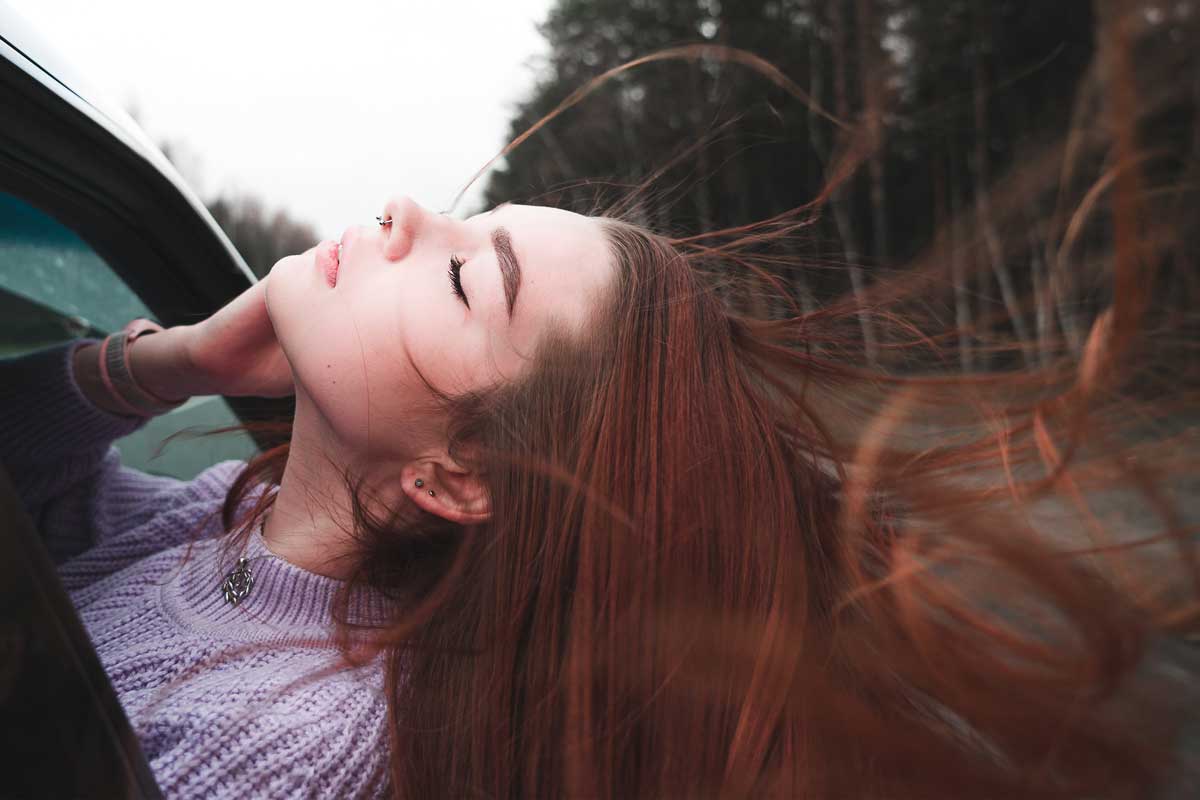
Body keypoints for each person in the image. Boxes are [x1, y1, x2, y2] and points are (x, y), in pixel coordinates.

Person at [5, 50, 1199, 800]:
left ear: (462, 476)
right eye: (474, 224)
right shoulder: (221, 529)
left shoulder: (301, 744)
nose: (411, 210)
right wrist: (165, 362)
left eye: (472, 278)